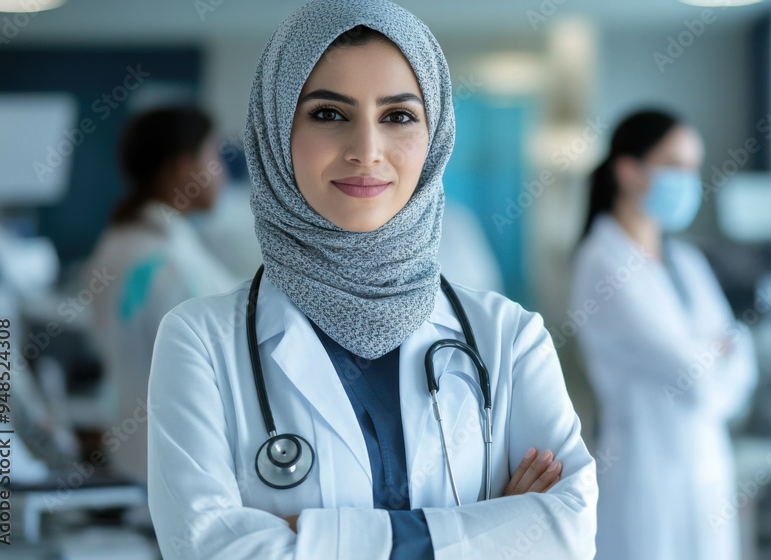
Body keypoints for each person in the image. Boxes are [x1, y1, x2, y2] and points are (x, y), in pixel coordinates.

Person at [146, 2, 597, 559]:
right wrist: (479, 529)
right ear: (274, 128)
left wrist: (307, 536)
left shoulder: (509, 336)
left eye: (399, 116)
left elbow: (565, 534)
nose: (365, 150)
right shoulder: (199, 342)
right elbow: (207, 550)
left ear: (436, 137)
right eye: (329, 114)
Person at [571, 109, 757, 560]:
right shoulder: (602, 263)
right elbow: (693, 376)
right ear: (628, 170)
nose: (688, 180)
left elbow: (741, 360)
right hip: (645, 470)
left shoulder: (686, 260)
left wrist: (712, 355)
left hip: (706, 464)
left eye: (694, 167)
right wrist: (716, 351)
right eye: (675, 165)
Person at [85, 106, 238, 483]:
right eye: (213, 155)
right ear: (183, 169)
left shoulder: (122, 240)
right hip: (176, 465)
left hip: (138, 453)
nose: (222, 172)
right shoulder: (167, 262)